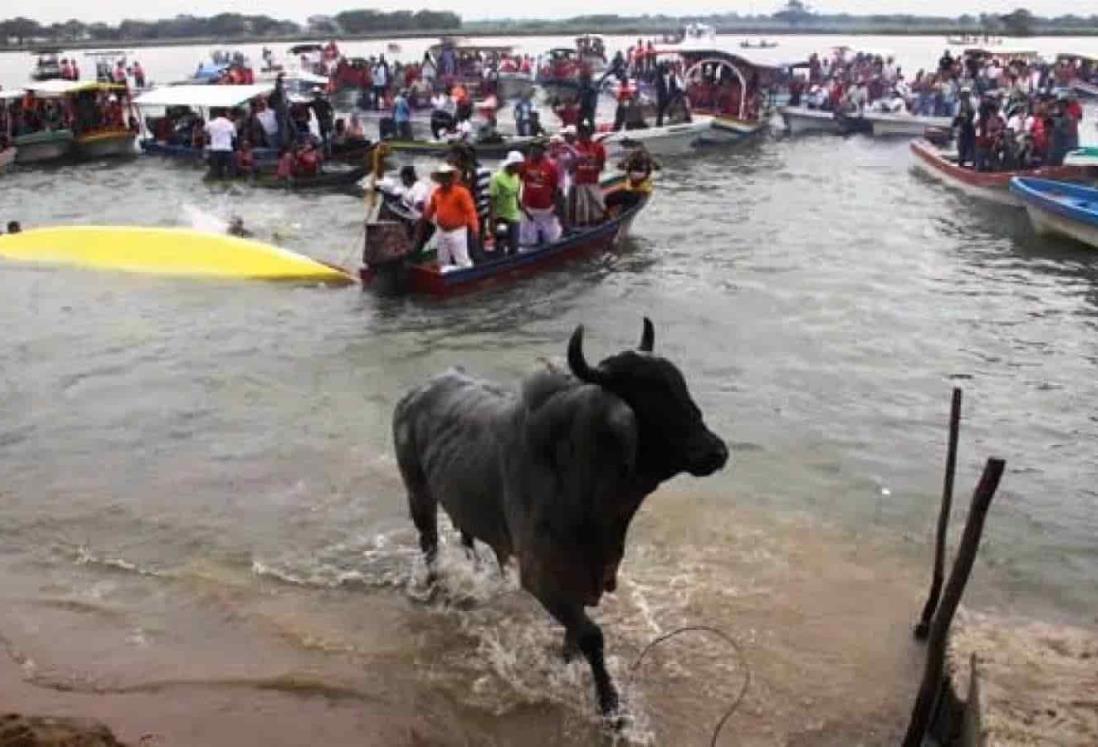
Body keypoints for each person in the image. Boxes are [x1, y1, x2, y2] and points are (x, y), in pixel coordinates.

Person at [422, 163, 477, 271]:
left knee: (462, 261)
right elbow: (430, 209)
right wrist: (423, 219)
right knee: (442, 260)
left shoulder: (461, 193)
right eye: (443, 177)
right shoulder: (436, 192)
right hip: (442, 231)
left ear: (452, 178)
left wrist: (475, 228)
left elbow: (470, 211)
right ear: (440, 179)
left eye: (448, 176)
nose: (445, 180)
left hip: (458, 231)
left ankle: (467, 278)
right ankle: (445, 280)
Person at [519, 141, 561, 247]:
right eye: (532, 149)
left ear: (542, 151)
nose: (533, 151)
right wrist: (521, 205)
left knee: (552, 239)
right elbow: (518, 183)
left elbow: (556, 189)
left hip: (546, 209)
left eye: (536, 149)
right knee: (528, 241)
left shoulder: (551, 167)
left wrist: (557, 206)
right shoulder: (525, 165)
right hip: (529, 209)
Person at [489, 151, 524, 256]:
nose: (521, 168)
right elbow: (492, 200)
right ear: (512, 165)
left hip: (514, 215)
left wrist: (523, 208)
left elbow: (516, 194)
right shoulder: (497, 178)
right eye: (519, 165)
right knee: (500, 243)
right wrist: (491, 220)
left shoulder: (516, 177)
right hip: (501, 216)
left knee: (514, 244)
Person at [571, 123, 607, 226]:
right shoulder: (575, 147)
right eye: (579, 134)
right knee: (581, 205)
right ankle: (583, 224)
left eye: (582, 134)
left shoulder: (598, 147)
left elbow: (602, 164)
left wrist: (593, 168)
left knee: (597, 203)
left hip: (593, 180)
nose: (580, 136)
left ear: (588, 134)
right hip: (580, 181)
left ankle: (600, 221)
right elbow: (571, 165)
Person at [204, 108, 236, 179]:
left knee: (215, 174)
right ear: (225, 113)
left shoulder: (210, 123)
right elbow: (234, 138)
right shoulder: (231, 124)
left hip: (215, 151)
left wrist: (208, 146)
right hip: (227, 151)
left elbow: (206, 134)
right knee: (230, 176)